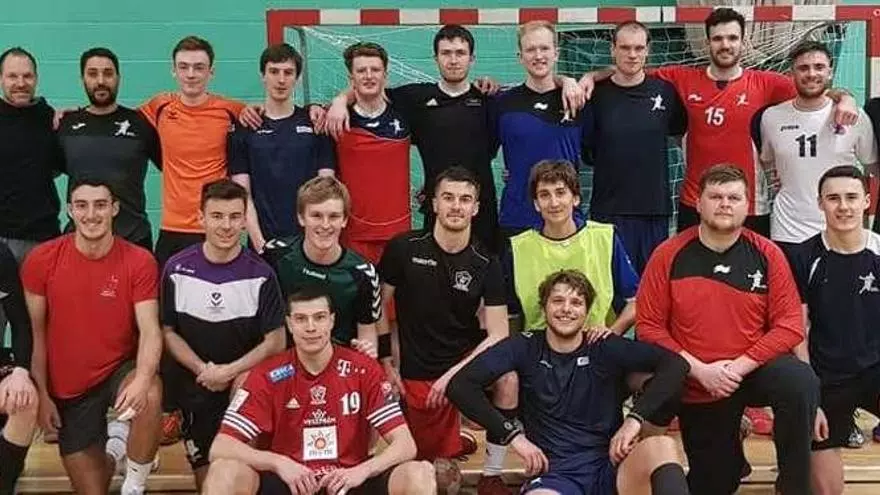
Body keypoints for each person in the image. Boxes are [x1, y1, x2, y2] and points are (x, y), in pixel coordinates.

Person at [580, 8, 859, 237]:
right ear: (708, 42)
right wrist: (590, 77)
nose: (725, 45)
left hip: (750, 205)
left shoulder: (766, 84)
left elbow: (812, 88)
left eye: (732, 38)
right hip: (695, 203)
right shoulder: (681, 79)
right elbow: (631, 70)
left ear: (743, 41)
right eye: (718, 38)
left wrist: (844, 98)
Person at [636, 164, 819, 494]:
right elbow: (649, 327)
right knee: (715, 484)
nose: (724, 204)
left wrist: (738, 367)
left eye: (733, 198)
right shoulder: (668, 254)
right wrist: (700, 370)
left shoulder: (767, 253)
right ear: (698, 202)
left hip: (750, 371)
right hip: (699, 381)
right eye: (716, 196)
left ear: (747, 205)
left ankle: (793, 486)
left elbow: (790, 325)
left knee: (799, 380)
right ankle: (732, 443)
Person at [448, 269, 690, 495]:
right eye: (558, 301)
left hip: (610, 465)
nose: (566, 309)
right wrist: (514, 436)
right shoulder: (525, 346)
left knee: (662, 447)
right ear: (544, 307)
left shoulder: (603, 346)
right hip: (555, 473)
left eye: (576, 302)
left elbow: (676, 365)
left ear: (586, 311)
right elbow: (460, 385)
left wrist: (634, 420)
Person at [201, 286, 436, 495]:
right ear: (289, 324)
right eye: (301, 319)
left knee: (419, 473)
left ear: (332, 321)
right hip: (290, 483)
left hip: (349, 480)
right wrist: (278, 463)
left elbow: (406, 445)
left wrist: (363, 470)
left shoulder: (363, 369)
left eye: (319, 317)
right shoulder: (267, 375)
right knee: (224, 471)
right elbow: (221, 447)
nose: (311, 327)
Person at [378, 167, 516, 494]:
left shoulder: (485, 261)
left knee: (508, 378)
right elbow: (377, 307)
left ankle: (493, 474)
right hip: (416, 368)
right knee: (435, 473)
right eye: (448, 198)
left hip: (460, 369)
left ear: (476, 208)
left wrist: (453, 377)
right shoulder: (404, 248)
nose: (456, 206)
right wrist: (386, 361)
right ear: (434, 204)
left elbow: (499, 333)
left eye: (465, 199)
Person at [22, 178, 163, 495]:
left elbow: (151, 330)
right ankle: (117, 447)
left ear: (114, 209)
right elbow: (35, 336)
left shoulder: (139, 260)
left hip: (118, 369)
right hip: (70, 387)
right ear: (70, 210)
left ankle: (134, 485)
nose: (91, 214)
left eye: (100, 205)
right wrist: (42, 394)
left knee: (150, 392)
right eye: (82, 206)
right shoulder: (42, 260)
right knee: (93, 489)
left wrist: (142, 378)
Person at [160, 179, 287, 489]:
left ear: (244, 221)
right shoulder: (176, 269)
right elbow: (168, 331)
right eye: (217, 216)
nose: (226, 225)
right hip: (197, 387)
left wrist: (231, 371)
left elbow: (276, 341)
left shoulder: (262, 274)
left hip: (244, 389)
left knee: (238, 471)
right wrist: (203, 370)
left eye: (234, 217)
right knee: (210, 482)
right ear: (201, 219)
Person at [787, 166, 880, 495]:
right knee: (825, 490)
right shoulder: (802, 257)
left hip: (875, 368)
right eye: (833, 198)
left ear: (867, 201)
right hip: (828, 378)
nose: (843, 206)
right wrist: (810, 395)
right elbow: (798, 332)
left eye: (852, 197)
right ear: (820, 203)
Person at [757, 41, 877, 258]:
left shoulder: (855, 116)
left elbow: (872, 168)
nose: (811, 74)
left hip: (840, 231)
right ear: (791, 73)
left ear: (830, 72)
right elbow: (767, 162)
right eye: (803, 68)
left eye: (819, 67)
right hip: (789, 231)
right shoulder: (771, 117)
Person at [586, 21, 686, 274]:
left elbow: (680, 135)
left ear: (647, 50)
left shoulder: (665, 92)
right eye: (625, 47)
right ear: (613, 49)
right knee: (610, 287)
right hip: (608, 212)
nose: (632, 54)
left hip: (654, 211)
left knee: (651, 285)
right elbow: (586, 152)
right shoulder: (595, 95)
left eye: (638, 48)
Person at [140, 36, 246, 268]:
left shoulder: (232, 111)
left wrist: (314, 109)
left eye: (199, 67)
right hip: (172, 228)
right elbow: (116, 119)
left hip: (216, 227)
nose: (191, 74)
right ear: (174, 71)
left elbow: (274, 114)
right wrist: (69, 113)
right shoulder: (160, 106)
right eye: (183, 67)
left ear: (211, 72)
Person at [506, 160, 638, 335]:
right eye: (545, 195)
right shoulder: (518, 248)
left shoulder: (604, 237)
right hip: (538, 346)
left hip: (594, 345)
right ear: (536, 204)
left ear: (575, 198)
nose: (554, 203)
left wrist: (611, 334)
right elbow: (511, 315)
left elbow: (635, 301)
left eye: (560, 193)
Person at [229, 43, 335, 252]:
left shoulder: (316, 124)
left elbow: (326, 189)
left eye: (288, 72)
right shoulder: (244, 129)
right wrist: (260, 245)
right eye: (274, 71)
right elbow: (243, 195)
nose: (281, 79)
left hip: (309, 246)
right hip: (263, 244)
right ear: (263, 75)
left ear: (297, 78)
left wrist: (315, 242)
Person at [493, 21, 593, 236]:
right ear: (520, 57)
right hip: (517, 218)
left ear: (556, 53)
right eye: (530, 49)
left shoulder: (577, 100)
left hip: (565, 220)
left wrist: (575, 79)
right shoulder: (502, 103)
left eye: (544, 48)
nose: (538, 56)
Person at [57, 47, 162, 252]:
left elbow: (174, 168)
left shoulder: (142, 124)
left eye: (108, 73)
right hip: (80, 242)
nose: (101, 81)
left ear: (118, 78)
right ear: (82, 79)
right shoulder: (65, 125)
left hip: (134, 239)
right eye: (92, 74)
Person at [262, 176, 380, 350]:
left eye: (334, 216)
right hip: (283, 358)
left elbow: (367, 334)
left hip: (337, 361)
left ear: (345, 220)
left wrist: (367, 351)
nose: (325, 225)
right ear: (301, 218)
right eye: (316, 216)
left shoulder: (362, 273)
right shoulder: (275, 255)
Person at [332, 42, 411, 265]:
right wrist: (334, 103)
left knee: (395, 289)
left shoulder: (405, 110)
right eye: (361, 70)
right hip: (353, 233)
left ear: (385, 75)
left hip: (397, 232)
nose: (368, 76)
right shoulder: (336, 119)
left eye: (375, 70)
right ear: (351, 78)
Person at [0, 46, 63, 260]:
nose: (21, 83)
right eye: (12, 76)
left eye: (27, 76)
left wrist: (74, 119)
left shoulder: (48, 117)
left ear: (36, 78)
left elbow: (57, 167)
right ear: (1, 79)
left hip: (45, 238)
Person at [0, 242, 38, 495]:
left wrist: (21, 372)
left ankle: (5, 482)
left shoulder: (1, 256)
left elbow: (21, 323)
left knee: (24, 399)